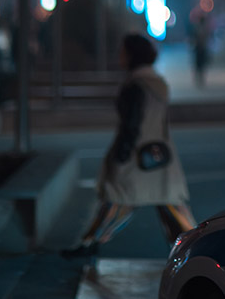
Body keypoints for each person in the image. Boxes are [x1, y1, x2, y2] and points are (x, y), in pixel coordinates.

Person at [63, 33, 195, 257]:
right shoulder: (158, 83)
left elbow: (130, 125)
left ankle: (90, 243)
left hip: (135, 155)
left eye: (123, 52)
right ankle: (192, 246)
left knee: (117, 198)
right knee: (171, 207)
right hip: (160, 155)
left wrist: (120, 156)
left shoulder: (135, 85)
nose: (120, 56)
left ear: (133, 55)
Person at [188, 11, 210, 88]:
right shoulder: (203, 29)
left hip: (199, 49)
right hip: (200, 49)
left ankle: (199, 80)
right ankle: (199, 80)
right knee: (200, 65)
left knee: (199, 65)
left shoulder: (198, 28)